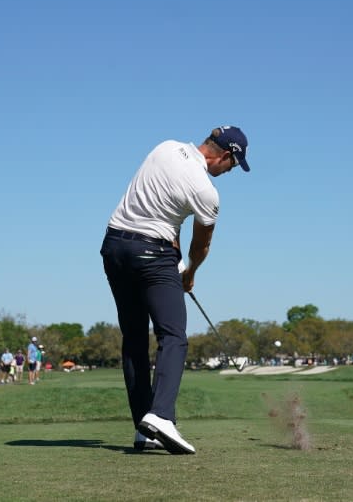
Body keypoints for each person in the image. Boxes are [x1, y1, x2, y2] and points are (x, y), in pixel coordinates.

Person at [100, 126, 250, 454]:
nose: (229, 172)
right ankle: (163, 417)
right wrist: (190, 272)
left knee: (135, 339)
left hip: (113, 248)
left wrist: (176, 261)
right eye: (233, 166)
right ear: (225, 155)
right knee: (173, 336)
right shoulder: (206, 191)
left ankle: (144, 428)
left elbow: (168, 215)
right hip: (152, 255)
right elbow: (202, 245)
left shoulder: (165, 147)